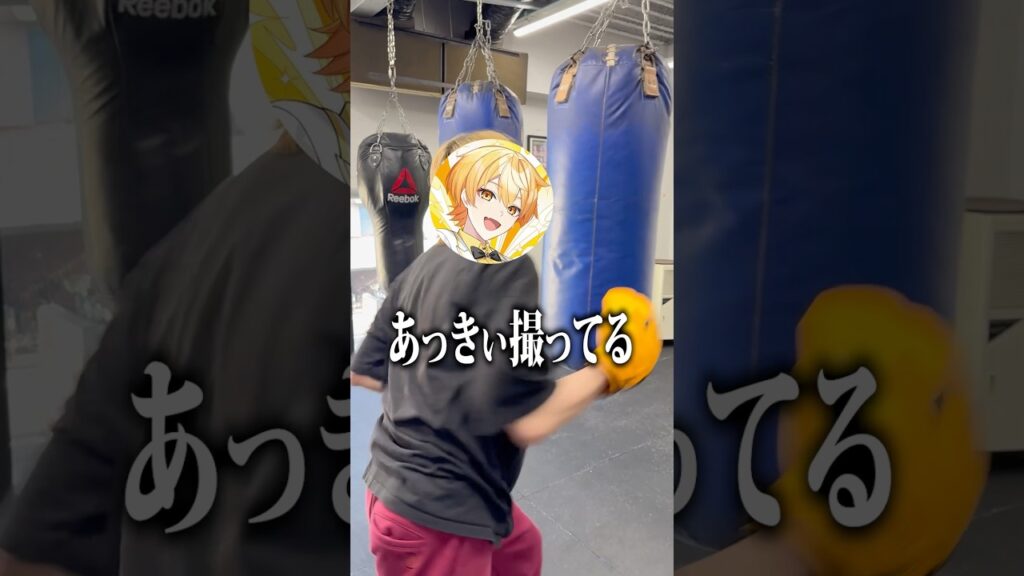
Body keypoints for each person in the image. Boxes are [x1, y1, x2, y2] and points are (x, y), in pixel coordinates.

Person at [351, 130, 662, 576]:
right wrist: (610, 368)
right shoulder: (504, 267)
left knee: (520, 548)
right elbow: (529, 420)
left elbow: (366, 372)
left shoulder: (419, 269)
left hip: (389, 485)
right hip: (439, 513)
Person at [435, 140, 543, 263]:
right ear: (464, 195)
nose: (499, 212)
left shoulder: (508, 262)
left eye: (512, 209)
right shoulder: (443, 251)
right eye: (487, 195)